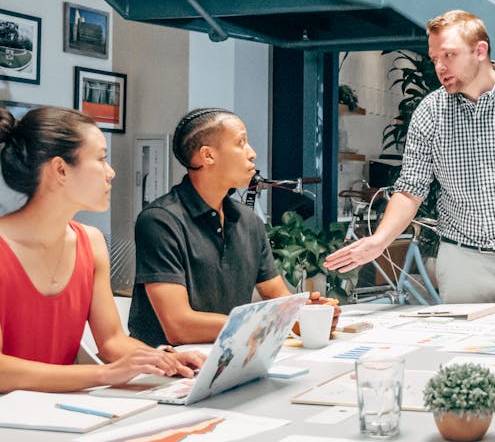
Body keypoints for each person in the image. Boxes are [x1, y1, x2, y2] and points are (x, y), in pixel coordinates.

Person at [323, 10, 495, 311]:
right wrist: (379, 241)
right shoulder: (430, 112)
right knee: (462, 355)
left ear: (479, 51)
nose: (440, 67)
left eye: (449, 55)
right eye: (434, 58)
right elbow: (410, 190)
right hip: (461, 262)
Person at [0, 106, 204, 393]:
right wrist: (104, 374)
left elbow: (111, 342)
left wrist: (164, 360)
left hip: (60, 415)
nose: (111, 172)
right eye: (101, 158)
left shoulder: (91, 242)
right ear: (60, 169)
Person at [128, 108, 338, 347]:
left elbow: (276, 294)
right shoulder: (160, 221)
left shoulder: (248, 221)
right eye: (241, 143)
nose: (252, 154)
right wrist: (265, 321)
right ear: (207, 156)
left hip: (229, 356)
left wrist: (307, 314)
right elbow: (179, 326)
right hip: (164, 370)